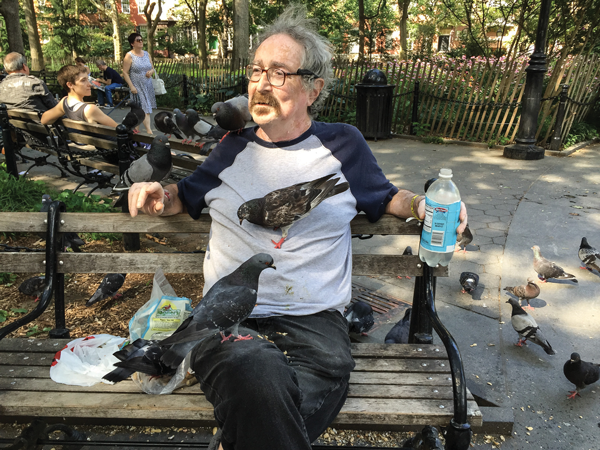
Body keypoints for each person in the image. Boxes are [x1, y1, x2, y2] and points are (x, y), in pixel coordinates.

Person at [127, 6, 467, 450]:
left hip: (316, 326)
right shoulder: (231, 148)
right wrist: (157, 193)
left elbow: (386, 197)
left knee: (259, 405)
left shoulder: (343, 143)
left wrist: (424, 204)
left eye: (280, 73)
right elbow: (183, 196)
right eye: (255, 71)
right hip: (225, 322)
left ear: (314, 88)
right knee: (252, 369)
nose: (262, 84)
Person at [40, 64, 117, 129]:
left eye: (87, 79)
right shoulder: (90, 109)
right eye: (83, 80)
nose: (89, 84)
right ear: (70, 85)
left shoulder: (64, 103)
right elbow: (120, 131)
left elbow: (44, 120)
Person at [122, 32, 156, 134]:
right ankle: (149, 132)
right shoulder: (129, 55)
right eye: (138, 40)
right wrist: (131, 86)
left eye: (141, 40)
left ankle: (136, 130)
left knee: (139, 109)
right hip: (137, 86)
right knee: (145, 108)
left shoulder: (146, 54)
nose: (141, 42)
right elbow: (125, 72)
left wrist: (150, 72)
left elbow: (153, 68)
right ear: (132, 43)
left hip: (147, 85)